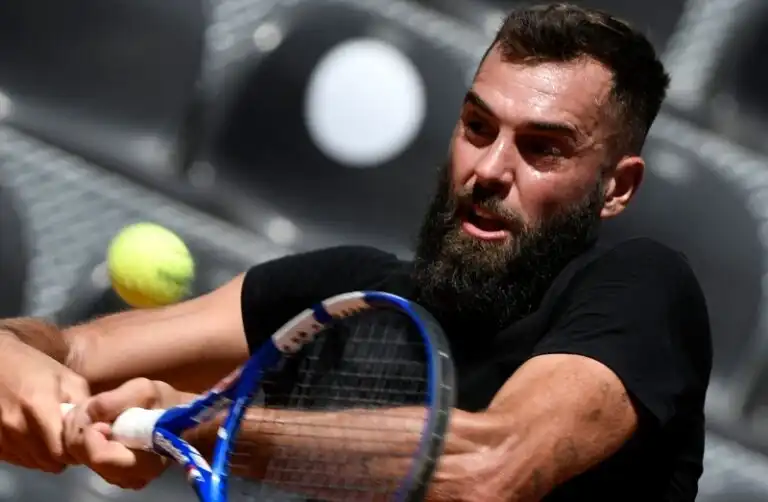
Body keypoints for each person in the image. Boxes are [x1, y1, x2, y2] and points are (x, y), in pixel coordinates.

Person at [0, 3, 712, 501]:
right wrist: (27, 381)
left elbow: (489, 466)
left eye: (543, 148)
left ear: (616, 188)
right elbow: (71, 350)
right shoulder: (347, 292)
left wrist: (199, 425)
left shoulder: (642, 291)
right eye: (476, 126)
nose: (489, 169)